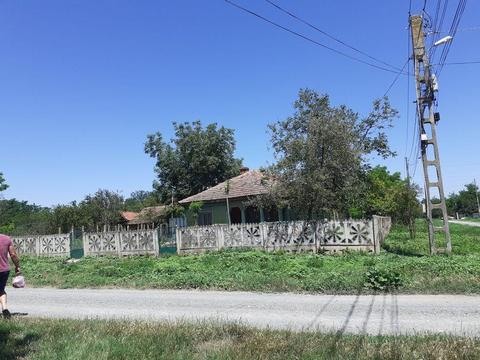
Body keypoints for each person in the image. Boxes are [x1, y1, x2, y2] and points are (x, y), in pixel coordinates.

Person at [0, 233, 20, 319]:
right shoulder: (6, 239)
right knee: (1, 289)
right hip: (4, 270)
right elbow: (13, 255)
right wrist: (17, 266)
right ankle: (5, 310)